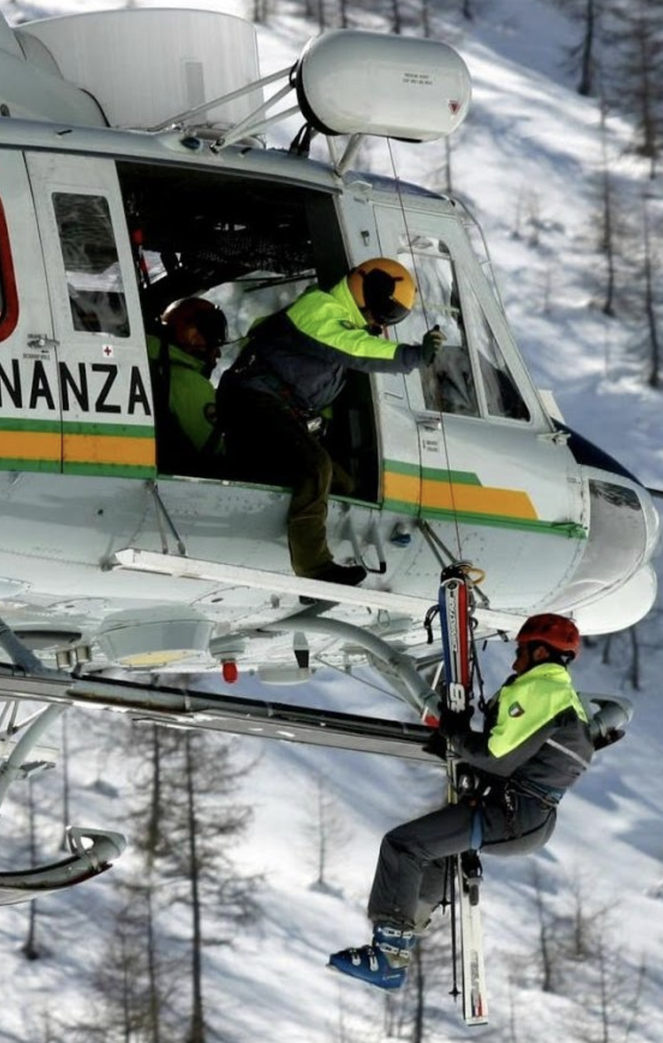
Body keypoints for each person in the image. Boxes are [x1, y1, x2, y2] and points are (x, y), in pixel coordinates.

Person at [327, 613, 625, 990]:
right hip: (523, 815)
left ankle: (389, 955)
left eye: (520, 650)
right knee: (428, 852)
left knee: (403, 846)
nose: (515, 659)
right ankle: (400, 937)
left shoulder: (540, 692)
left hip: (510, 815)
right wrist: (460, 745)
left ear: (539, 652)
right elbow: (523, 757)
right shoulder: (564, 697)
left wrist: (457, 736)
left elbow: (495, 756)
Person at [216, 258, 443, 585]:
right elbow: (354, 349)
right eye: (384, 309)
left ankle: (315, 555)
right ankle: (314, 570)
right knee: (315, 467)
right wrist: (411, 356)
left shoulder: (343, 327)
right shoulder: (319, 308)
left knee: (343, 485)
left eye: (393, 315)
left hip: (277, 410)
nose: (381, 319)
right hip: (250, 400)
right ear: (365, 290)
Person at [147, 297, 229, 475]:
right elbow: (216, 452)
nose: (218, 351)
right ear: (191, 335)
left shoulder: (150, 366)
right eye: (213, 334)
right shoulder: (189, 383)